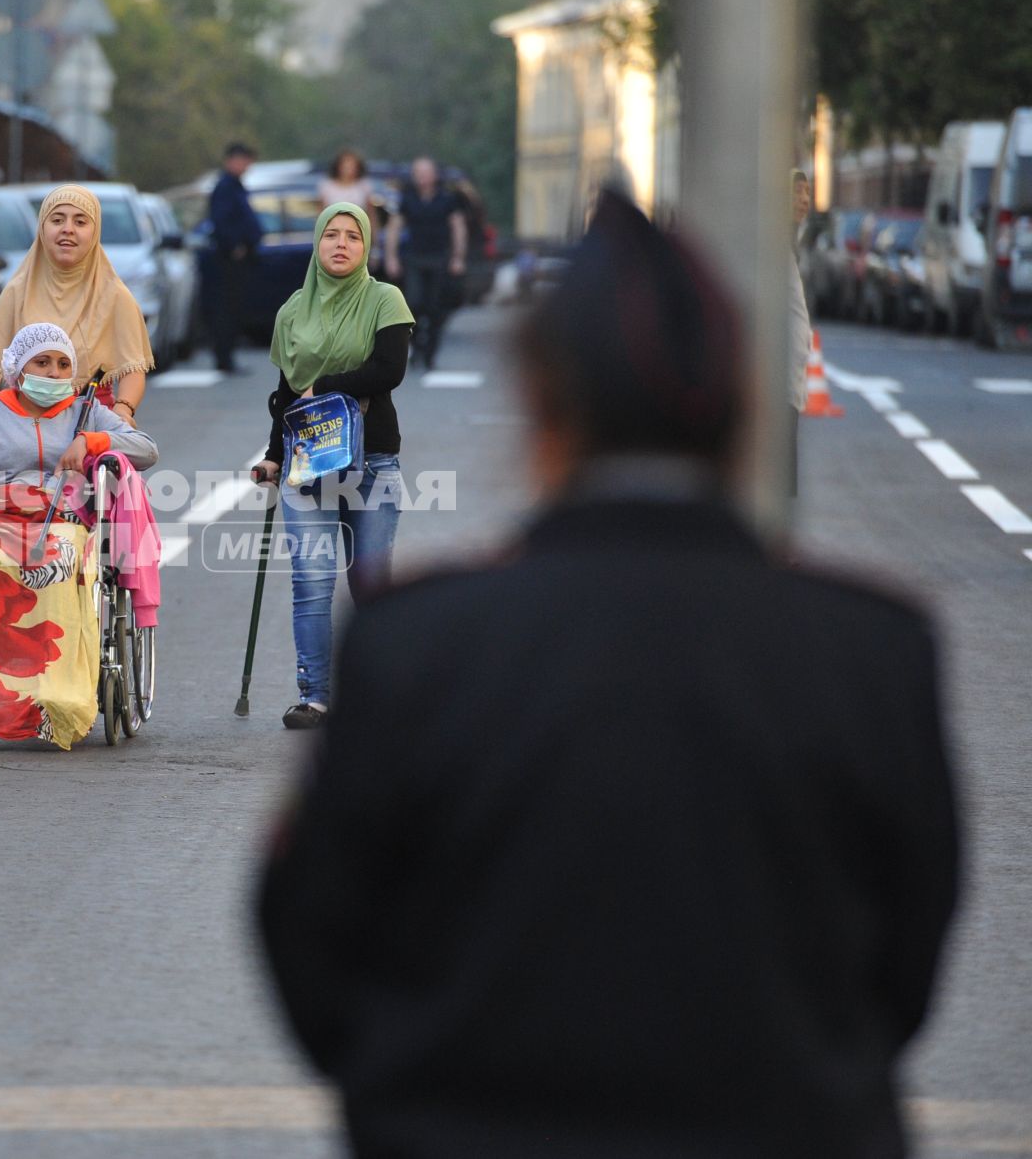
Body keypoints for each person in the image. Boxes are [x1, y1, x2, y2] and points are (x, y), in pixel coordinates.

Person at [258, 191, 960, 1159]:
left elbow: (311, 940)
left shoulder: (412, 644)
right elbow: (908, 961)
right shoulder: (876, 650)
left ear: (543, 412)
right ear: (749, 415)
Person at [0, 323, 156, 748]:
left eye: (62, 365)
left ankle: (54, 691)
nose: (54, 374)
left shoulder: (87, 411)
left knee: (56, 564)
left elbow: (146, 449)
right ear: (19, 370)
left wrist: (93, 442)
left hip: (65, 521)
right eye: (42, 362)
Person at [251, 203, 413, 731]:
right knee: (312, 581)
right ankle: (315, 696)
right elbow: (283, 396)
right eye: (331, 236)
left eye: (353, 237)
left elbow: (390, 371)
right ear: (317, 244)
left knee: (369, 584)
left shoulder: (384, 299)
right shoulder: (293, 311)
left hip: (373, 462)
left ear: (366, 247)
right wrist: (273, 456)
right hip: (306, 464)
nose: (341, 244)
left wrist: (325, 387)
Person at [0, 184, 155, 424]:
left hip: (90, 426)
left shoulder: (115, 296)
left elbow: (132, 368)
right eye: (57, 220)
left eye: (80, 222)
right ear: (42, 228)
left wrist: (123, 410)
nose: (67, 230)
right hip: (20, 426)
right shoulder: (17, 291)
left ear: (95, 231)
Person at [384, 156, 466, 368]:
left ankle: (431, 353)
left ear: (434, 175)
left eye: (425, 172)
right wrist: (391, 257)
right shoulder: (407, 199)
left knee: (436, 307)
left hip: (439, 257)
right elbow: (395, 227)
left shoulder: (447, 199)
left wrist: (458, 257)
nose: (421, 177)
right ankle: (416, 345)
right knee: (413, 304)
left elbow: (458, 227)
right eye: (417, 172)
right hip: (414, 258)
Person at [207, 141, 265, 374]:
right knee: (227, 308)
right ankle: (224, 357)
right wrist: (235, 246)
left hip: (241, 256)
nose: (245, 166)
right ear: (231, 160)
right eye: (242, 160)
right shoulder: (225, 187)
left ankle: (227, 355)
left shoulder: (235, 185)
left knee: (235, 308)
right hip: (230, 257)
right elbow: (221, 221)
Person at [790, 168, 815, 493]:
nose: (805, 200)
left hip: (788, 379)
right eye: (797, 192)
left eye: (807, 193)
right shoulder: (771, 243)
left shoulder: (788, 241)